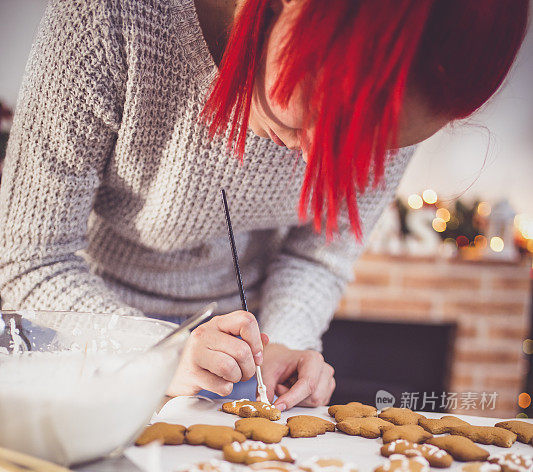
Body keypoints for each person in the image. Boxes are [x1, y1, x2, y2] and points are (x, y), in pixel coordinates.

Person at [0, 0, 528, 409]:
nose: (321, 158)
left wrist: (281, 347)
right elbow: (30, 258)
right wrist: (154, 352)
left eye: (369, 145)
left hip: (234, 364)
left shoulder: (414, 85)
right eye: (328, 114)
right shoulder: (112, 20)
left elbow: (319, 256)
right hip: (76, 350)